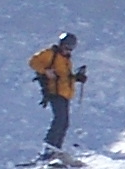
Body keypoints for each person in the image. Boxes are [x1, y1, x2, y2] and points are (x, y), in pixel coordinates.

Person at [28, 29, 84, 157]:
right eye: (66, 47)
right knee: (60, 119)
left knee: (64, 122)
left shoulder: (66, 60)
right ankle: (49, 147)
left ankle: (55, 149)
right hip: (54, 92)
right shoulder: (50, 54)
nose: (68, 50)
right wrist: (45, 70)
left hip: (65, 93)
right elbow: (33, 61)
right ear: (61, 44)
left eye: (71, 48)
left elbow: (64, 77)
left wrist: (76, 78)